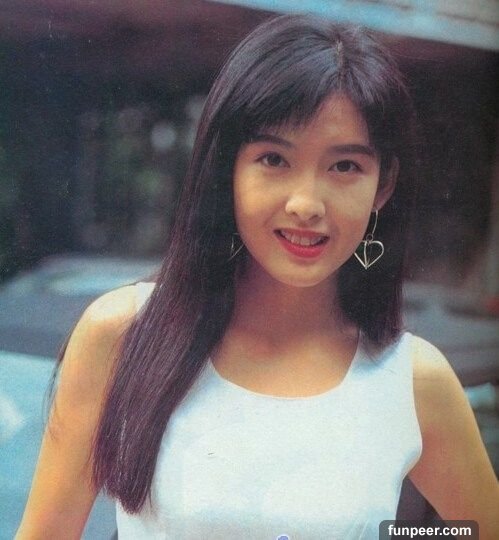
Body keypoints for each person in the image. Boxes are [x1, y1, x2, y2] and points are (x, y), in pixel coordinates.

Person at [16, 14, 498, 540]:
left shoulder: (413, 381)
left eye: (345, 167)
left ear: (383, 186)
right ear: (227, 169)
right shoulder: (122, 334)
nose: (306, 204)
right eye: (274, 159)